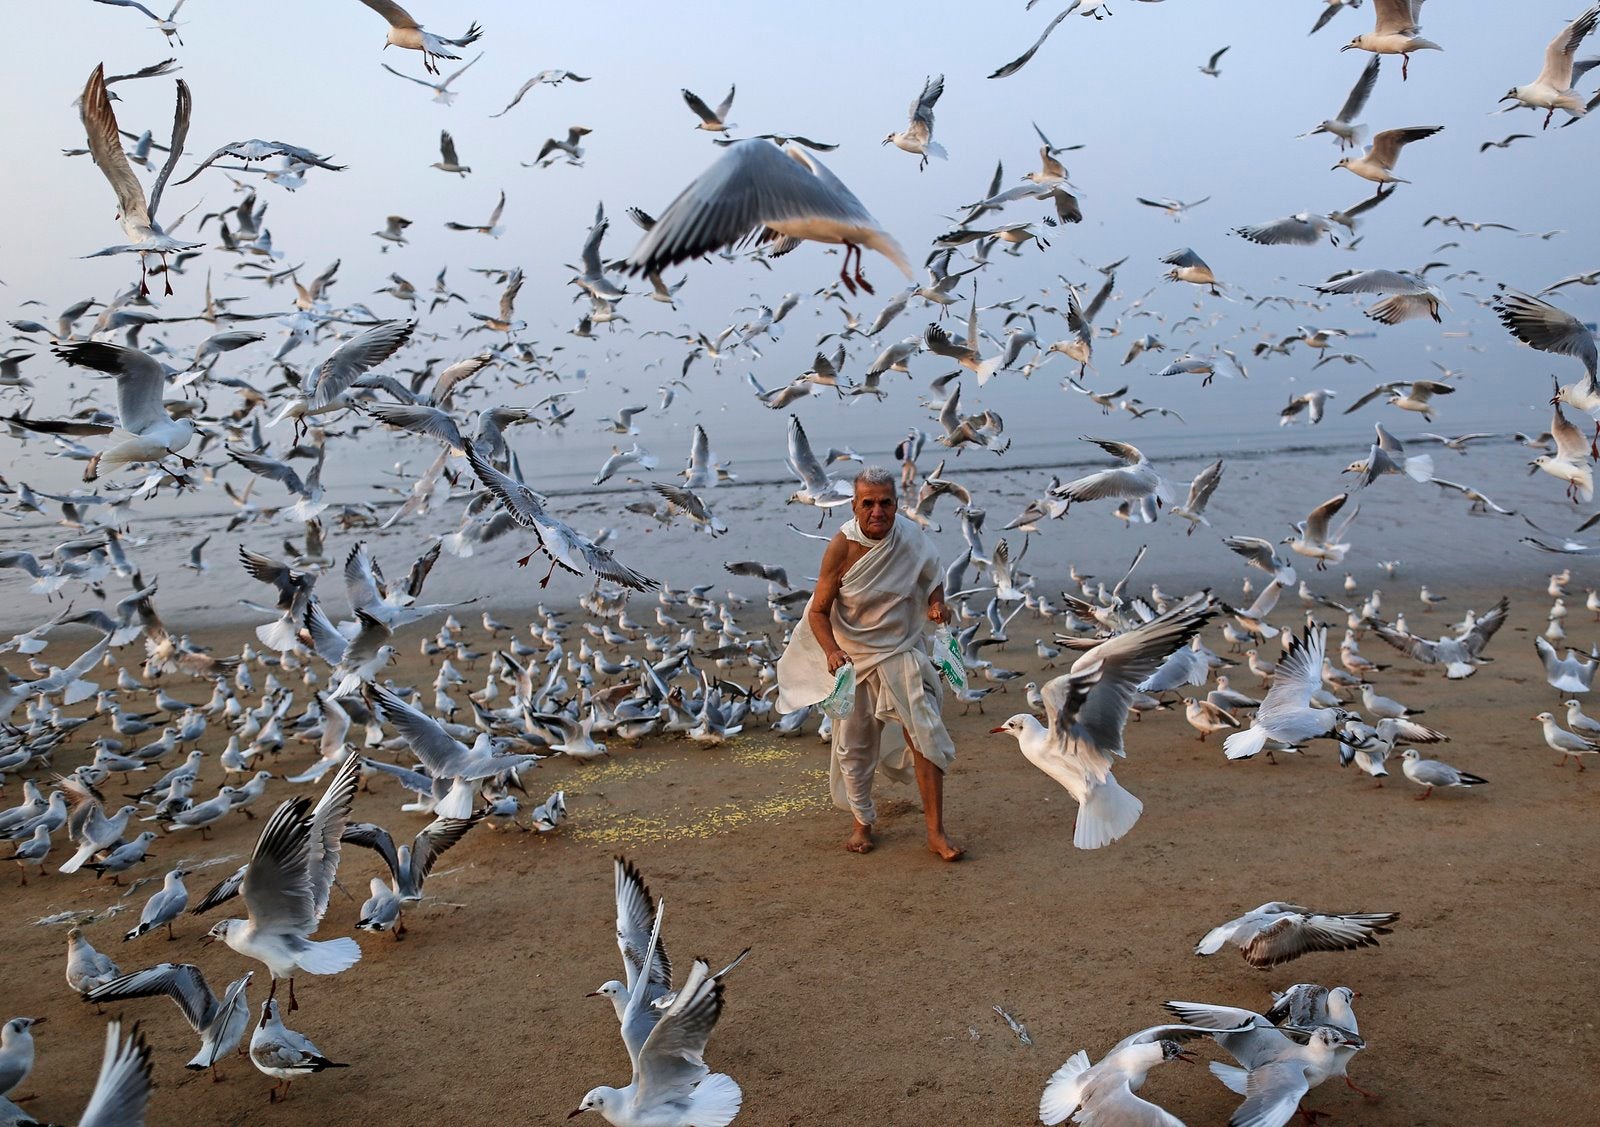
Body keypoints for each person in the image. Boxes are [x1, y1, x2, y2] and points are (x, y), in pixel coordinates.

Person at [776, 466, 963, 860]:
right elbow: (818, 612)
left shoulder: (910, 537)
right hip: (855, 660)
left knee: (924, 736)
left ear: (896, 504)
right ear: (854, 506)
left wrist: (936, 605)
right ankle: (862, 823)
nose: (878, 511)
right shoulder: (840, 547)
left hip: (901, 652)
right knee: (854, 748)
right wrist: (830, 651)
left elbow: (932, 576)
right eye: (869, 503)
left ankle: (936, 832)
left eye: (886, 502)